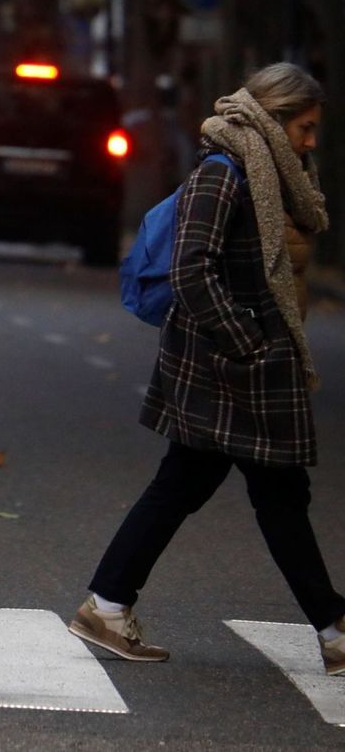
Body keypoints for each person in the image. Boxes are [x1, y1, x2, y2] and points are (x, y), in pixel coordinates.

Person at [69, 63, 345, 675]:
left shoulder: (267, 173)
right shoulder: (223, 174)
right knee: (264, 493)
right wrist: (248, 342)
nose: (311, 142)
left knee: (226, 488)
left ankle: (108, 603)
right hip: (228, 366)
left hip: (242, 366)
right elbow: (192, 270)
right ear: (273, 120)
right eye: (303, 127)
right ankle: (332, 628)